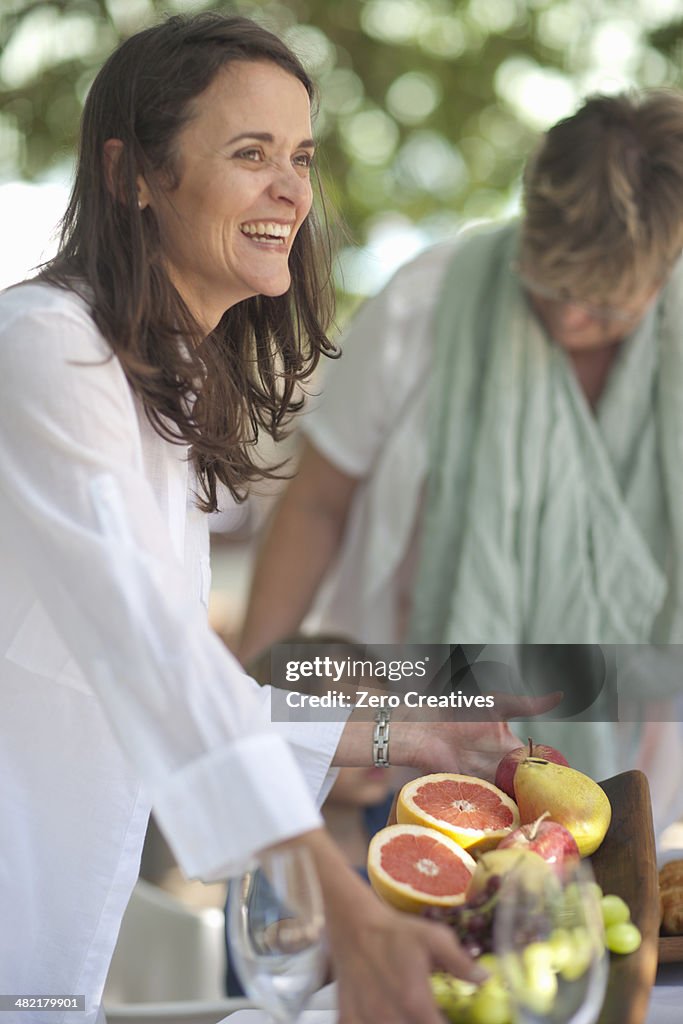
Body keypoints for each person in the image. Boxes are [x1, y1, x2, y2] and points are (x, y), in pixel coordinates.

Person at [0, 13, 551, 1023]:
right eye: (249, 153)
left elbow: (185, 690)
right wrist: (343, 907)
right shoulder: (45, 351)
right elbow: (154, 663)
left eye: (299, 156)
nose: (292, 189)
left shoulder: (154, 393)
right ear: (133, 173)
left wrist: (403, 735)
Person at [237, 89, 683, 835]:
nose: (571, 321)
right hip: (413, 745)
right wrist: (255, 704)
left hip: (648, 761)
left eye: (606, 309)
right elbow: (316, 502)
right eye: (550, 288)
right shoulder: (424, 303)